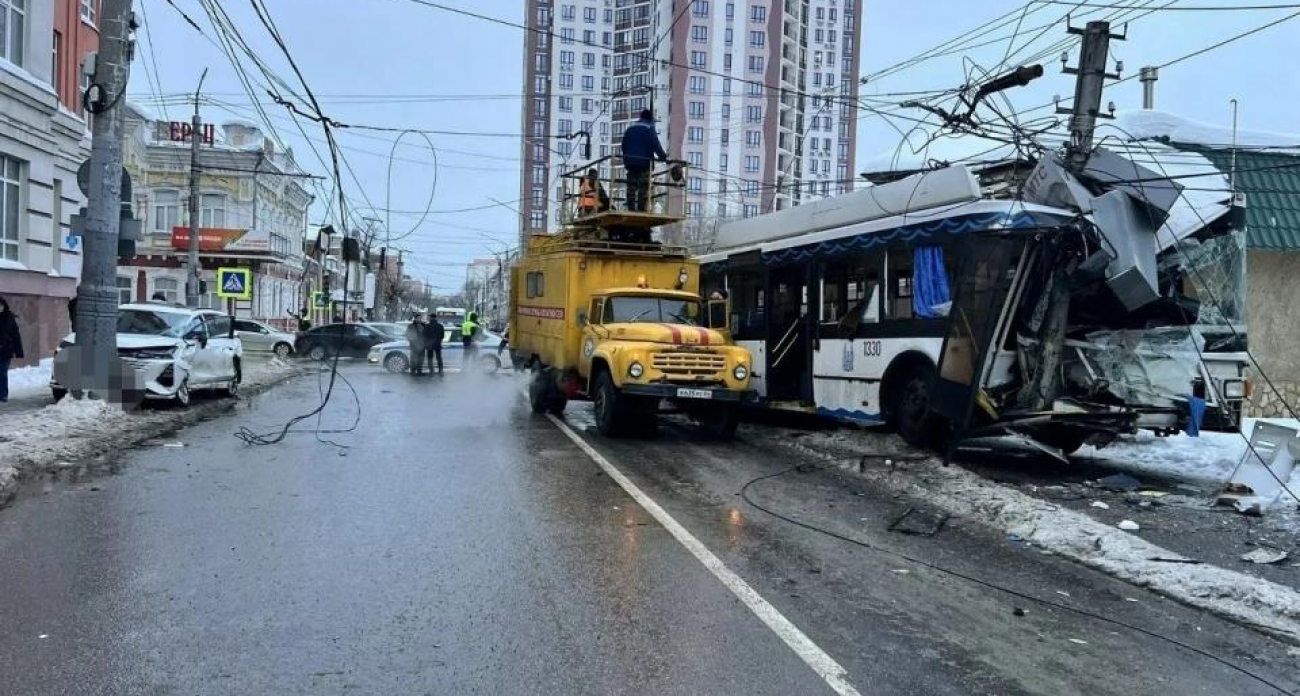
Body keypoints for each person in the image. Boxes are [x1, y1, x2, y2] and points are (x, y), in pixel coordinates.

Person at [620, 109, 668, 212]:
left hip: (630, 163)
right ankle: (641, 209)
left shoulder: (630, 129)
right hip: (644, 164)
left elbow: (623, 146)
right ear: (650, 119)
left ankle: (631, 208)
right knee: (643, 188)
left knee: (631, 187)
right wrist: (664, 158)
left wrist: (628, 157)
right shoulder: (649, 129)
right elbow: (656, 146)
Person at [0, 296, 23, 403]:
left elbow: (16, 335)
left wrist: (19, 352)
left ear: (4, 306)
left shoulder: (9, 318)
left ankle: (3, 395)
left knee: (2, 372)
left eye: (0, 305)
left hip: (5, 351)